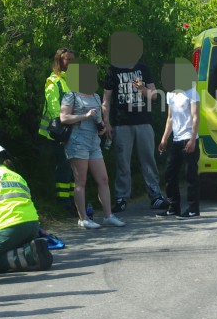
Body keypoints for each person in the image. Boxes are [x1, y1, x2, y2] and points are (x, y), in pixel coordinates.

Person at [103, 31, 168, 213]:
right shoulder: (113, 70)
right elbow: (106, 99)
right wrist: (106, 122)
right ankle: (121, 198)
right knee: (122, 161)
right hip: (121, 123)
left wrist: (142, 89)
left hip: (143, 120)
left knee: (148, 159)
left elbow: (154, 95)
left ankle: (155, 195)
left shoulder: (143, 68)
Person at [62, 61, 121, 229]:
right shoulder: (71, 95)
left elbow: (98, 118)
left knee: (103, 179)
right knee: (81, 180)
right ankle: (83, 218)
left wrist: (102, 127)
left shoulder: (95, 96)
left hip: (94, 142)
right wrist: (84, 116)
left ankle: (108, 215)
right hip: (77, 141)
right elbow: (64, 118)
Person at [0, 144, 53, 273]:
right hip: (33, 226)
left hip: (11, 226)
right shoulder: (18, 177)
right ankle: (31, 251)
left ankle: (29, 255)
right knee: (6, 252)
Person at [39, 47, 83, 215]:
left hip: (73, 130)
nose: (71, 63)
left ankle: (73, 201)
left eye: (73, 60)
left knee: (74, 167)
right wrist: (62, 133)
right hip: (58, 132)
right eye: (67, 60)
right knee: (64, 166)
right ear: (59, 61)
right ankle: (63, 203)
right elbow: (54, 108)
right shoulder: (53, 81)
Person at [157, 61, 201, 219]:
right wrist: (164, 139)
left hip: (189, 139)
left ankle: (193, 209)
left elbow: (196, 117)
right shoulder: (170, 93)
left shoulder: (191, 92)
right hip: (176, 140)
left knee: (190, 175)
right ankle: (173, 206)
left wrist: (193, 140)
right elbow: (170, 118)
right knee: (169, 173)